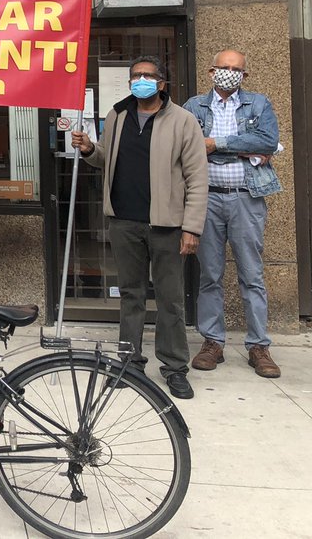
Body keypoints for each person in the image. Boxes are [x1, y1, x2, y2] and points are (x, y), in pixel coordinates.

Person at [71, 55, 207, 399]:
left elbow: (197, 177)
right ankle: (128, 363)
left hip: (167, 226)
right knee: (130, 295)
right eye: (135, 76)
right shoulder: (117, 115)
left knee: (170, 300)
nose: (140, 81)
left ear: (162, 83)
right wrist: (90, 149)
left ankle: (175, 367)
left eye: (147, 76)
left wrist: (191, 228)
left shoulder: (183, 121)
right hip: (124, 222)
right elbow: (107, 159)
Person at [183, 49, 282, 379]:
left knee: (251, 274)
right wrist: (244, 147)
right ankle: (213, 342)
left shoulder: (259, 104)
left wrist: (215, 144)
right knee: (209, 275)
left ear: (245, 75)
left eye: (236, 69)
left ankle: (258, 346)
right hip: (206, 199)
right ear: (211, 72)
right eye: (224, 68)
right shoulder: (194, 107)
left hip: (246, 199)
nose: (229, 72)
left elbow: (268, 141)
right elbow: (186, 145)